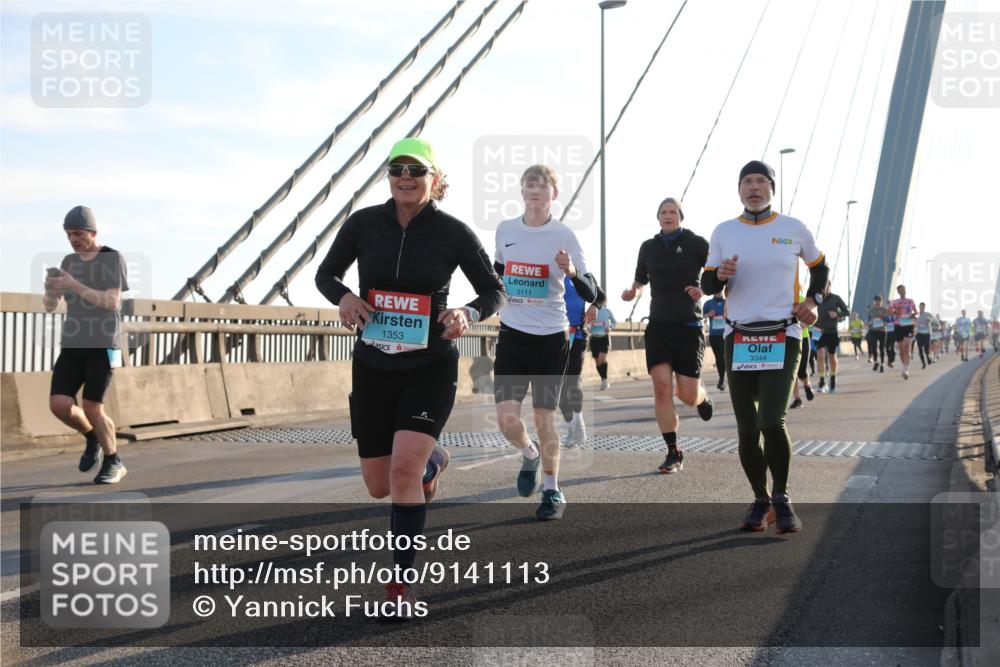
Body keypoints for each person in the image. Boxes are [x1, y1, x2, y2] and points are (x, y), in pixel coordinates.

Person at [315, 137, 505, 613]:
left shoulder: (454, 232)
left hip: (430, 363)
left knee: (402, 470)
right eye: (397, 168)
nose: (405, 176)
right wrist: (342, 298)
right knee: (380, 484)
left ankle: (399, 586)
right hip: (374, 363)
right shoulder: (363, 224)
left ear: (435, 180)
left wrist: (467, 311)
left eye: (416, 170)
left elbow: (493, 290)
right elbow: (326, 274)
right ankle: (433, 461)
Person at [702, 160, 828, 534]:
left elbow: (820, 269)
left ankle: (783, 497)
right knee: (746, 430)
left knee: (771, 420)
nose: (753, 187)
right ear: (739, 189)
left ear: (772, 188)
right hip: (738, 337)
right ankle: (760, 498)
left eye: (761, 181)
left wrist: (813, 301)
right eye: (747, 182)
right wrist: (718, 275)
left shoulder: (794, 228)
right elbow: (708, 283)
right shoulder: (724, 231)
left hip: (783, 335)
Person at [493, 164, 598, 521]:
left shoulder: (564, 236)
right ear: (522, 192)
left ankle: (553, 489)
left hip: (551, 338)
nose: (535, 190)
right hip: (511, 334)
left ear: (554, 194)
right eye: (529, 185)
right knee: (507, 420)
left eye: (542, 185)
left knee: (543, 419)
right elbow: (496, 275)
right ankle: (530, 454)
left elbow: (591, 290)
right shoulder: (505, 230)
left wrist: (569, 272)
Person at [622, 197, 713, 476]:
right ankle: (673, 451)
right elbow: (640, 280)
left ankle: (701, 397)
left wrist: (704, 291)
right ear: (658, 217)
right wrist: (632, 292)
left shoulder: (697, 243)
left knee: (686, 395)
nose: (668, 215)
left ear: (681, 217)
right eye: (663, 212)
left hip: (689, 326)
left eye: (673, 211)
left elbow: (715, 277)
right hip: (659, 326)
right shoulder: (648, 247)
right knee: (661, 388)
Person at [44, 205, 129, 484]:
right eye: (69, 235)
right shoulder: (69, 260)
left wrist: (74, 283)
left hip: (103, 342)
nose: (73, 239)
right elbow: (49, 307)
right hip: (72, 342)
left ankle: (114, 461)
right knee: (59, 404)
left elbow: (112, 302)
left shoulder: (111, 258)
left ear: (93, 232)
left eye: (78, 233)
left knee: (93, 407)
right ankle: (92, 436)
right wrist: (51, 290)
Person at [558, 278, 607, 446]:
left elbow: (600, 296)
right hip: (552, 336)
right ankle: (572, 426)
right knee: (556, 388)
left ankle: (578, 423)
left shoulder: (579, 274)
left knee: (572, 381)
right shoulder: (546, 267)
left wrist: (594, 305)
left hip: (576, 335)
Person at [814, 283, 849, 393]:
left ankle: (833, 379)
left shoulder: (835, 298)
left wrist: (837, 314)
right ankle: (821, 382)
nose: (825, 288)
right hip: (818, 332)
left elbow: (847, 312)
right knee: (820, 356)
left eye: (826, 286)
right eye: (823, 286)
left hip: (831, 332)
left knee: (832, 357)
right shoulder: (815, 297)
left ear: (830, 286)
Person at [888, 284, 917, 379]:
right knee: (901, 350)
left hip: (908, 325)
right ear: (898, 292)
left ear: (905, 290)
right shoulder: (894, 302)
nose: (902, 291)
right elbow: (889, 312)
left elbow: (916, 312)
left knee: (906, 346)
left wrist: (912, 315)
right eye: (900, 290)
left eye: (903, 290)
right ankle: (904, 366)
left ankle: (906, 369)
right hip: (898, 326)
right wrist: (896, 313)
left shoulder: (910, 301)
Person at [587, 301, 617, 390]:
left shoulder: (607, 311)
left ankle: (605, 380)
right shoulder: (590, 310)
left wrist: (610, 327)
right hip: (594, 339)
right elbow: (587, 323)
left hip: (604, 338)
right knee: (597, 362)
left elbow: (614, 322)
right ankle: (603, 379)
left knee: (602, 359)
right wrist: (588, 327)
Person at [704, 292, 728, 391]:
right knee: (719, 357)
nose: (719, 290)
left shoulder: (728, 302)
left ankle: (723, 380)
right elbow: (701, 316)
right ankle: (722, 378)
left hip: (726, 334)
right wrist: (708, 314)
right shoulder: (708, 303)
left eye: (721, 288)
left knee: (723, 356)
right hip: (714, 335)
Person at [866, 295, 889, 372]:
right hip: (873, 330)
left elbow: (888, 320)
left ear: (881, 302)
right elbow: (869, 320)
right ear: (874, 302)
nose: (877, 302)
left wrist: (882, 317)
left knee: (882, 348)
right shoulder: (871, 310)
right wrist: (868, 323)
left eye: (879, 301)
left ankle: (882, 364)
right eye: (876, 301)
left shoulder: (884, 310)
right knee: (873, 347)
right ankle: (876, 362)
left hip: (882, 331)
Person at [915, 303, 935, 369]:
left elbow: (932, 319)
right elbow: (914, 322)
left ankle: (928, 358)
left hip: (926, 333)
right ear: (919, 307)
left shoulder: (927, 314)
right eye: (921, 307)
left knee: (926, 349)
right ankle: (923, 363)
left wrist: (929, 320)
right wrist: (915, 324)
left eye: (923, 307)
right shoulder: (917, 315)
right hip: (919, 333)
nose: (922, 308)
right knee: (920, 349)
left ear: (924, 307)